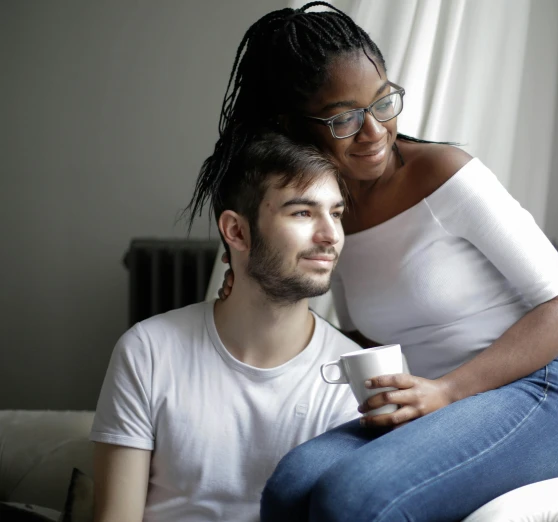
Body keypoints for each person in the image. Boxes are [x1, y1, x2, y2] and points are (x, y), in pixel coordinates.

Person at [209, 3, 558, 521]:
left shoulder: (446, 176)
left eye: (383, 101)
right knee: (290, 487)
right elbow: (368, 337)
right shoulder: (330, 210)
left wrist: (446, 391)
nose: (373, 130)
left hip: (540, 391)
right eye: (344, 117)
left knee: (351, 498)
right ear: (294, 126)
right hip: (427, 402)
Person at [90, 133, 362, 522]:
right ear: (236, 231)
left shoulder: (353, 375)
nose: (330, 235)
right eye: (302, 212)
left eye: (335, 213)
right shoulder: (148, 351)